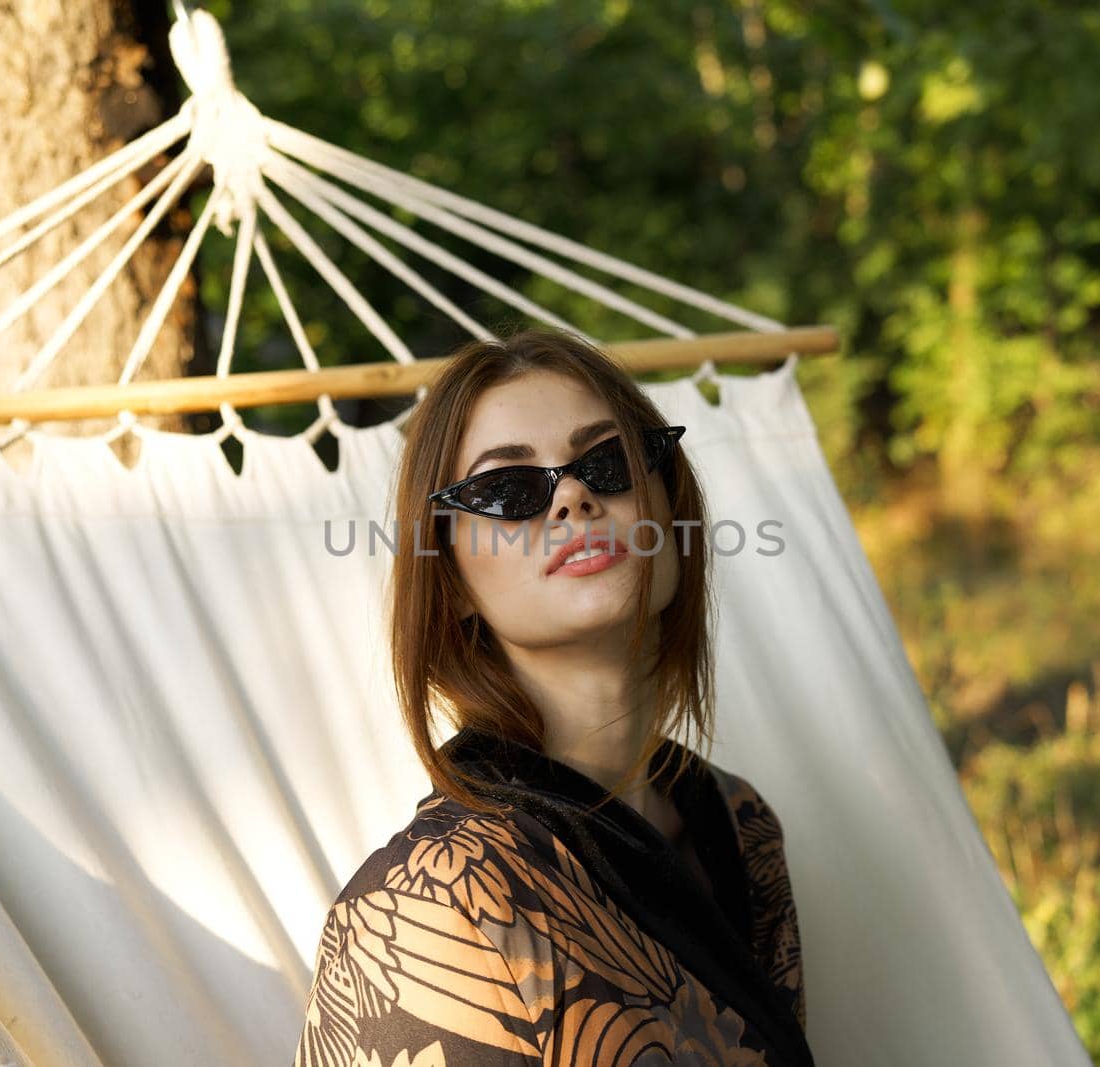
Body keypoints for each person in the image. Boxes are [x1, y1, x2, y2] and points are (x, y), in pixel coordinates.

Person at [291, 328, 811, 1066]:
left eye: (608, 460)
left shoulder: (741, 823)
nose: (573, 494)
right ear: (451, 584)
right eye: (507, 489)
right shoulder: (426, 908)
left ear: (670, 512)